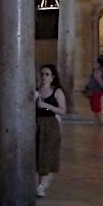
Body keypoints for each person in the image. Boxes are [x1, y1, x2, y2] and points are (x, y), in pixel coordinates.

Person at [34, 64, 67, 197]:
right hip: (37, 124)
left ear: (52, 77)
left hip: (50, 125)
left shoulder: (57, 92)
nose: (43, 77)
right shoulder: (36, 91)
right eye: (42, 74)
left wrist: (46, 106)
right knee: (38, 154)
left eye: (47, 74)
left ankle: (42, 185)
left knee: (48, 155)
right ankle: (38, 184)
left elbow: (63, 111)